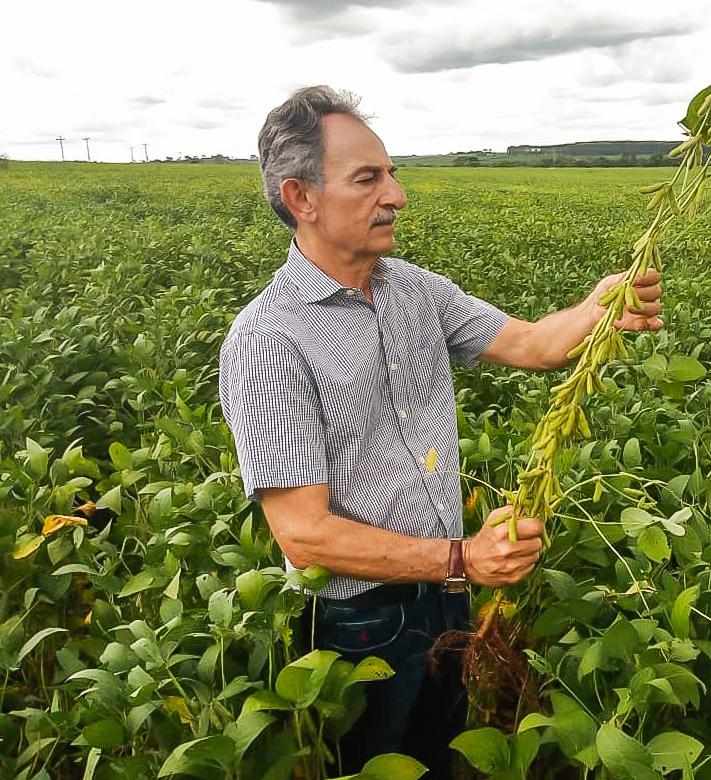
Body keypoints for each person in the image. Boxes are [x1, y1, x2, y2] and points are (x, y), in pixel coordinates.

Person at [217, 85, 663, 777]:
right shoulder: (268, 339)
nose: (396, 196)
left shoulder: (415, 290)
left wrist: (601, 307)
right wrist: (463, 559)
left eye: (392, 175)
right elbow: (304, 535)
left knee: (441, 758)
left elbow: (531, 344)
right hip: (358, 625)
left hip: (448, 598)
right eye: (368, 179)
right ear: (302, 198)